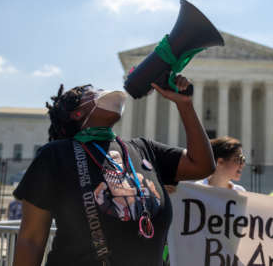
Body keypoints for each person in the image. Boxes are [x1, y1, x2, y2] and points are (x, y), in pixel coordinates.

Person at [13, 76, 215, 266]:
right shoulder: (55, 155)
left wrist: (185, 104)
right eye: (90, 92)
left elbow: (202, 165)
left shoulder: (143, 149)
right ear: (77, 113)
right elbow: (31, 239)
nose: (101, 91)